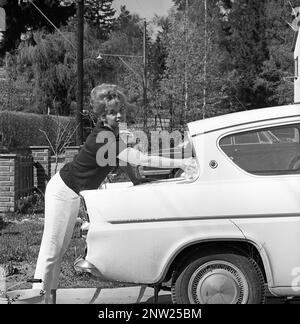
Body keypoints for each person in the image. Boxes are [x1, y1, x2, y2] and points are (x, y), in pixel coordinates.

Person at [33, 83, 197, 304]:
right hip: (62, 191)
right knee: (51, 249)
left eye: (120, 110)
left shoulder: (114, 135)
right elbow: (139, 159)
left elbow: (124, 161)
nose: (118, 115)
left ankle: (49, 299)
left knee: (59, 250)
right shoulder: (103, 136)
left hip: (72, 192)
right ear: (102, 115)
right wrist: (182, 162)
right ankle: (37, 298)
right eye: (112, 112)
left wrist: (136, 180)